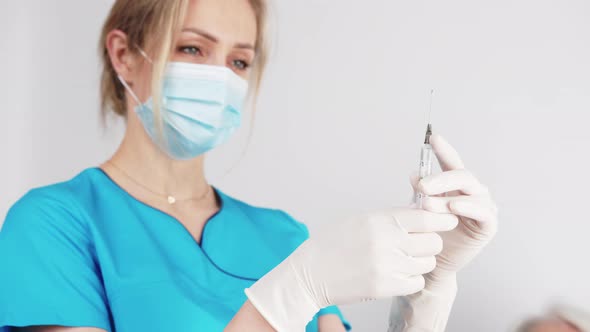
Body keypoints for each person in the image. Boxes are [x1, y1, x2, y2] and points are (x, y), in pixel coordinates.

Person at [0, 0, 498, 331]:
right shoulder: (54, 224)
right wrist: (288, 296)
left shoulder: (282, 236)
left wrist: (428, 290)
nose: (220, 78)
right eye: (192, 48)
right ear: (125, 55)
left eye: (239, 62)